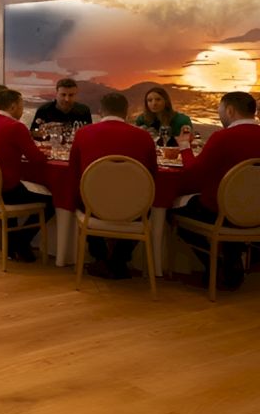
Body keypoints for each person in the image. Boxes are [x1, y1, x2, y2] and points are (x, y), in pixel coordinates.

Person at [175, 91, 260, 291]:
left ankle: (217, 264)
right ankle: (234, 256)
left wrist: (185, 147)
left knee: (175, 210)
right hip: (257, 213)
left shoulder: (223, 137)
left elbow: (194, 174)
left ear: (229, 110)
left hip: (222, 212)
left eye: (220, 109)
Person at [68, 92, 158, 279]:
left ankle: (100, 257)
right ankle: (119, 259)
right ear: (126, 112)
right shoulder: (144, 137)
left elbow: (74, 172)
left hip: (93, 205)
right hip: (133, 208)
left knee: (81, 197)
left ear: (100, 111)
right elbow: (152, 176)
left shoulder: (83, 134)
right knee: (145, 206)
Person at [0, 88, 52, 262]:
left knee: (18, 185)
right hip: (4, 191)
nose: (22, 110)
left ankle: (11, 242)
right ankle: (20, 241)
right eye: (22, 106)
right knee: (52, 201)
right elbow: (36, 159)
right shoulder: (16, 127)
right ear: (14, 107)